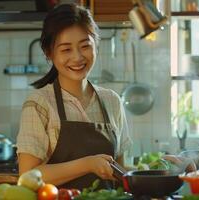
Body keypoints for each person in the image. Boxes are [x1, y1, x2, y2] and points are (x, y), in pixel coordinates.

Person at [16, 3, 132, 189]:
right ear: (49, 53)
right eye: (66, 49)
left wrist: (159, 169)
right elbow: (28, 176)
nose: (77, 57)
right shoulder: (39, 104)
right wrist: (87, 165)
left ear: (96, 45)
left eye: (85, 46)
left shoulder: (112, 101)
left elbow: (119, 171)